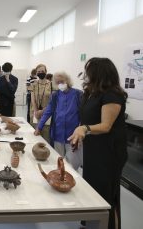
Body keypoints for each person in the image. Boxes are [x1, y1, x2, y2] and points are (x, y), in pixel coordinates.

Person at [68, 57, 128, 229]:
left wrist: (84, 129)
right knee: (92, 187)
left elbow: (106, 126)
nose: (86, 74)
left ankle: (106, 225)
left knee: (105, 193)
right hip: (93, 147)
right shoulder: (91, 93)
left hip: (109, 151)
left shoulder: (112, 95)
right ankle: (91, 223)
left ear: (100, 73)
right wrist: (78, 135)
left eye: (89, 71)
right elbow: (86, 119)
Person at [34, 71, 83, 170]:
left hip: (72, 134)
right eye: (57, 82)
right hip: (58, 133)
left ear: (67, 81)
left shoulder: (78, 94)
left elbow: (83, 113)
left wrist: (82, 129)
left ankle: (70, 180)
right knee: (58, 160)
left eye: (62, 81)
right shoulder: (55, 95)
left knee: (72, 164)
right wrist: (39, 126)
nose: (60, 84)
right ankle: (59, 178)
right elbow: (48, 111)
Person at [30, 64, 53, 143]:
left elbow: (53, 102)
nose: (40, 73)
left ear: (46, 72)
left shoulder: (51, 85)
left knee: (46, 138)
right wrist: (36, 111)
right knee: (35, 136)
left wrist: (42, 111)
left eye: (42, 71)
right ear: (36, 73)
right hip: (35, 113)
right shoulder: (33, 84)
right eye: (38, 71)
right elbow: (32, 99)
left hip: (47, 113)